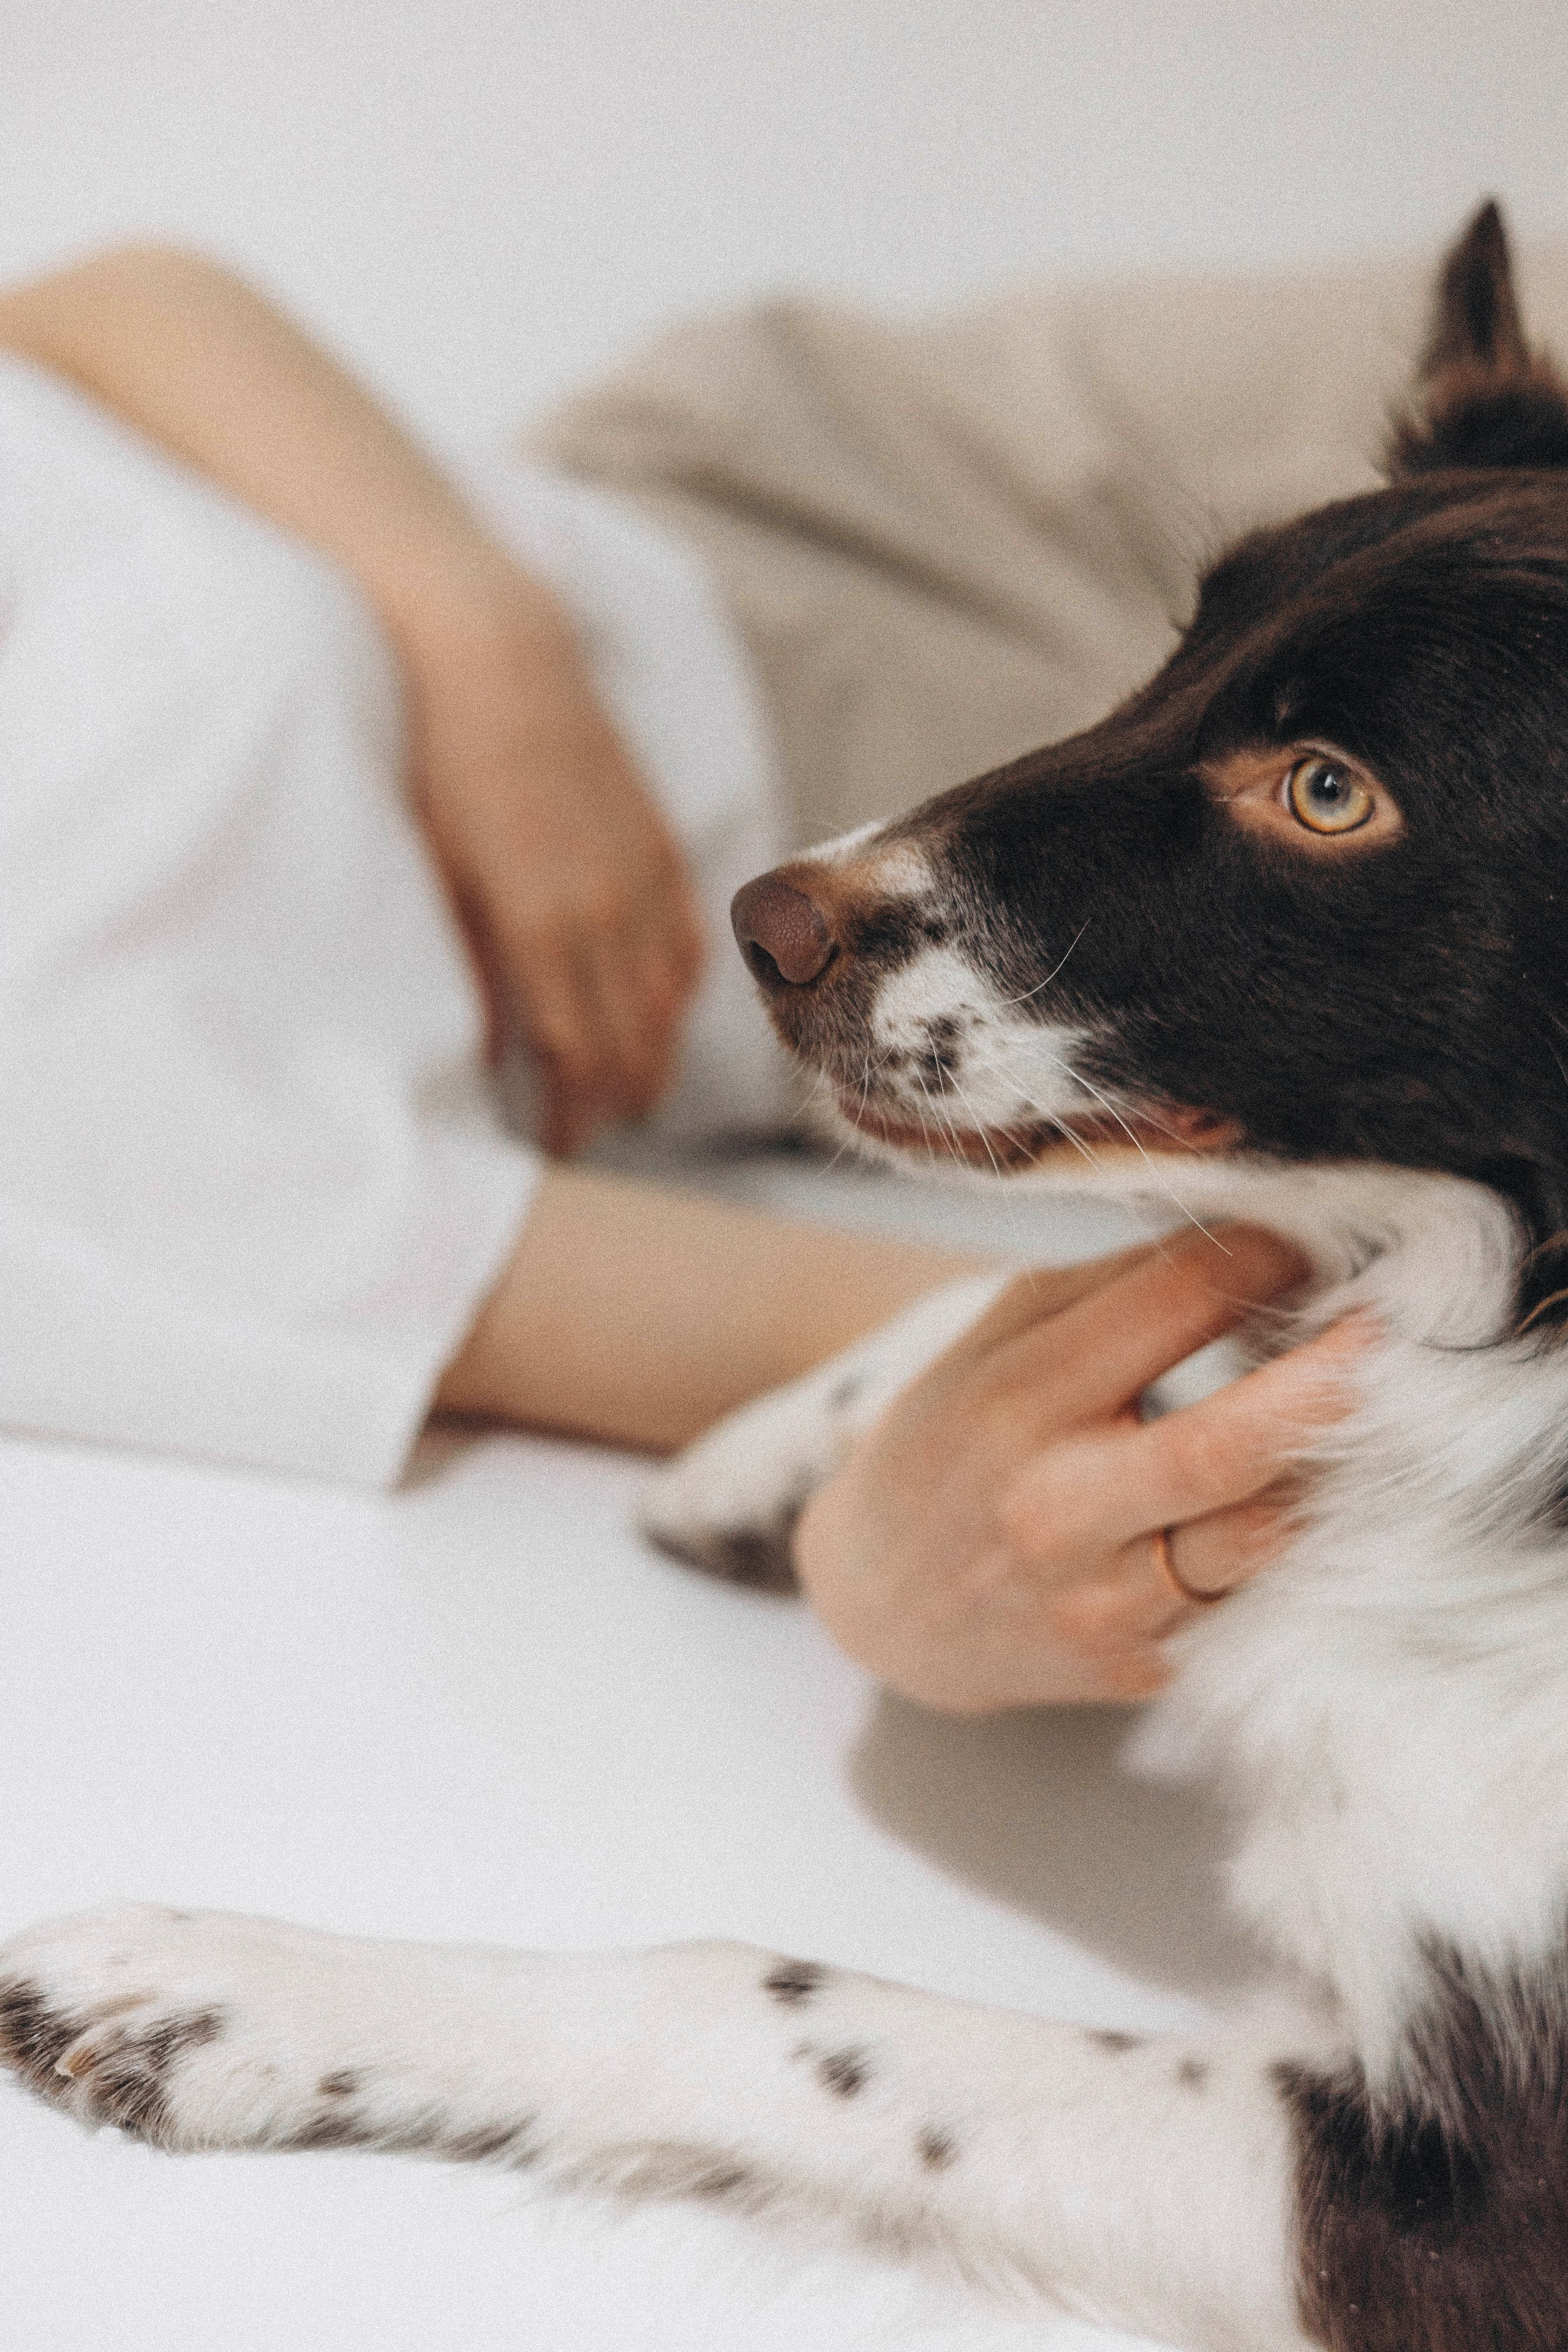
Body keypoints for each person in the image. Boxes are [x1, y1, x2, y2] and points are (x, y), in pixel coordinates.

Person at [0, 244, 1379, 1715]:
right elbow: (798, 1318)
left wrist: (480, 642)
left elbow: (98, 301)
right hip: (991, 905)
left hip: (820, 476)